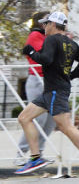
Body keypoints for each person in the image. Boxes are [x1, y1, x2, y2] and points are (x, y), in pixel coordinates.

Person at [15, 11, 79, 181]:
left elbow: (46, 59)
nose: (44, 26)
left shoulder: (51, 39)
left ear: (54, 25)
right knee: (24, 117)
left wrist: (31, 52)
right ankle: (35, 158)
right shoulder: (70, 43)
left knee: (65, 127)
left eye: (46, 23)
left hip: (56, 91)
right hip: (51, 91)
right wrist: (71, 75)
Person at [15, 12, 56, 165]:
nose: (51, 21)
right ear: (39, 22)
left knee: (51, 120)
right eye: (47, 19)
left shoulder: (49, 37)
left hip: (50, 81)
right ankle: (21, 153)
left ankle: (39, 153)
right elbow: (46, 57)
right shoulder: (35, 36)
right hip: (38, 80)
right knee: (37, 118)